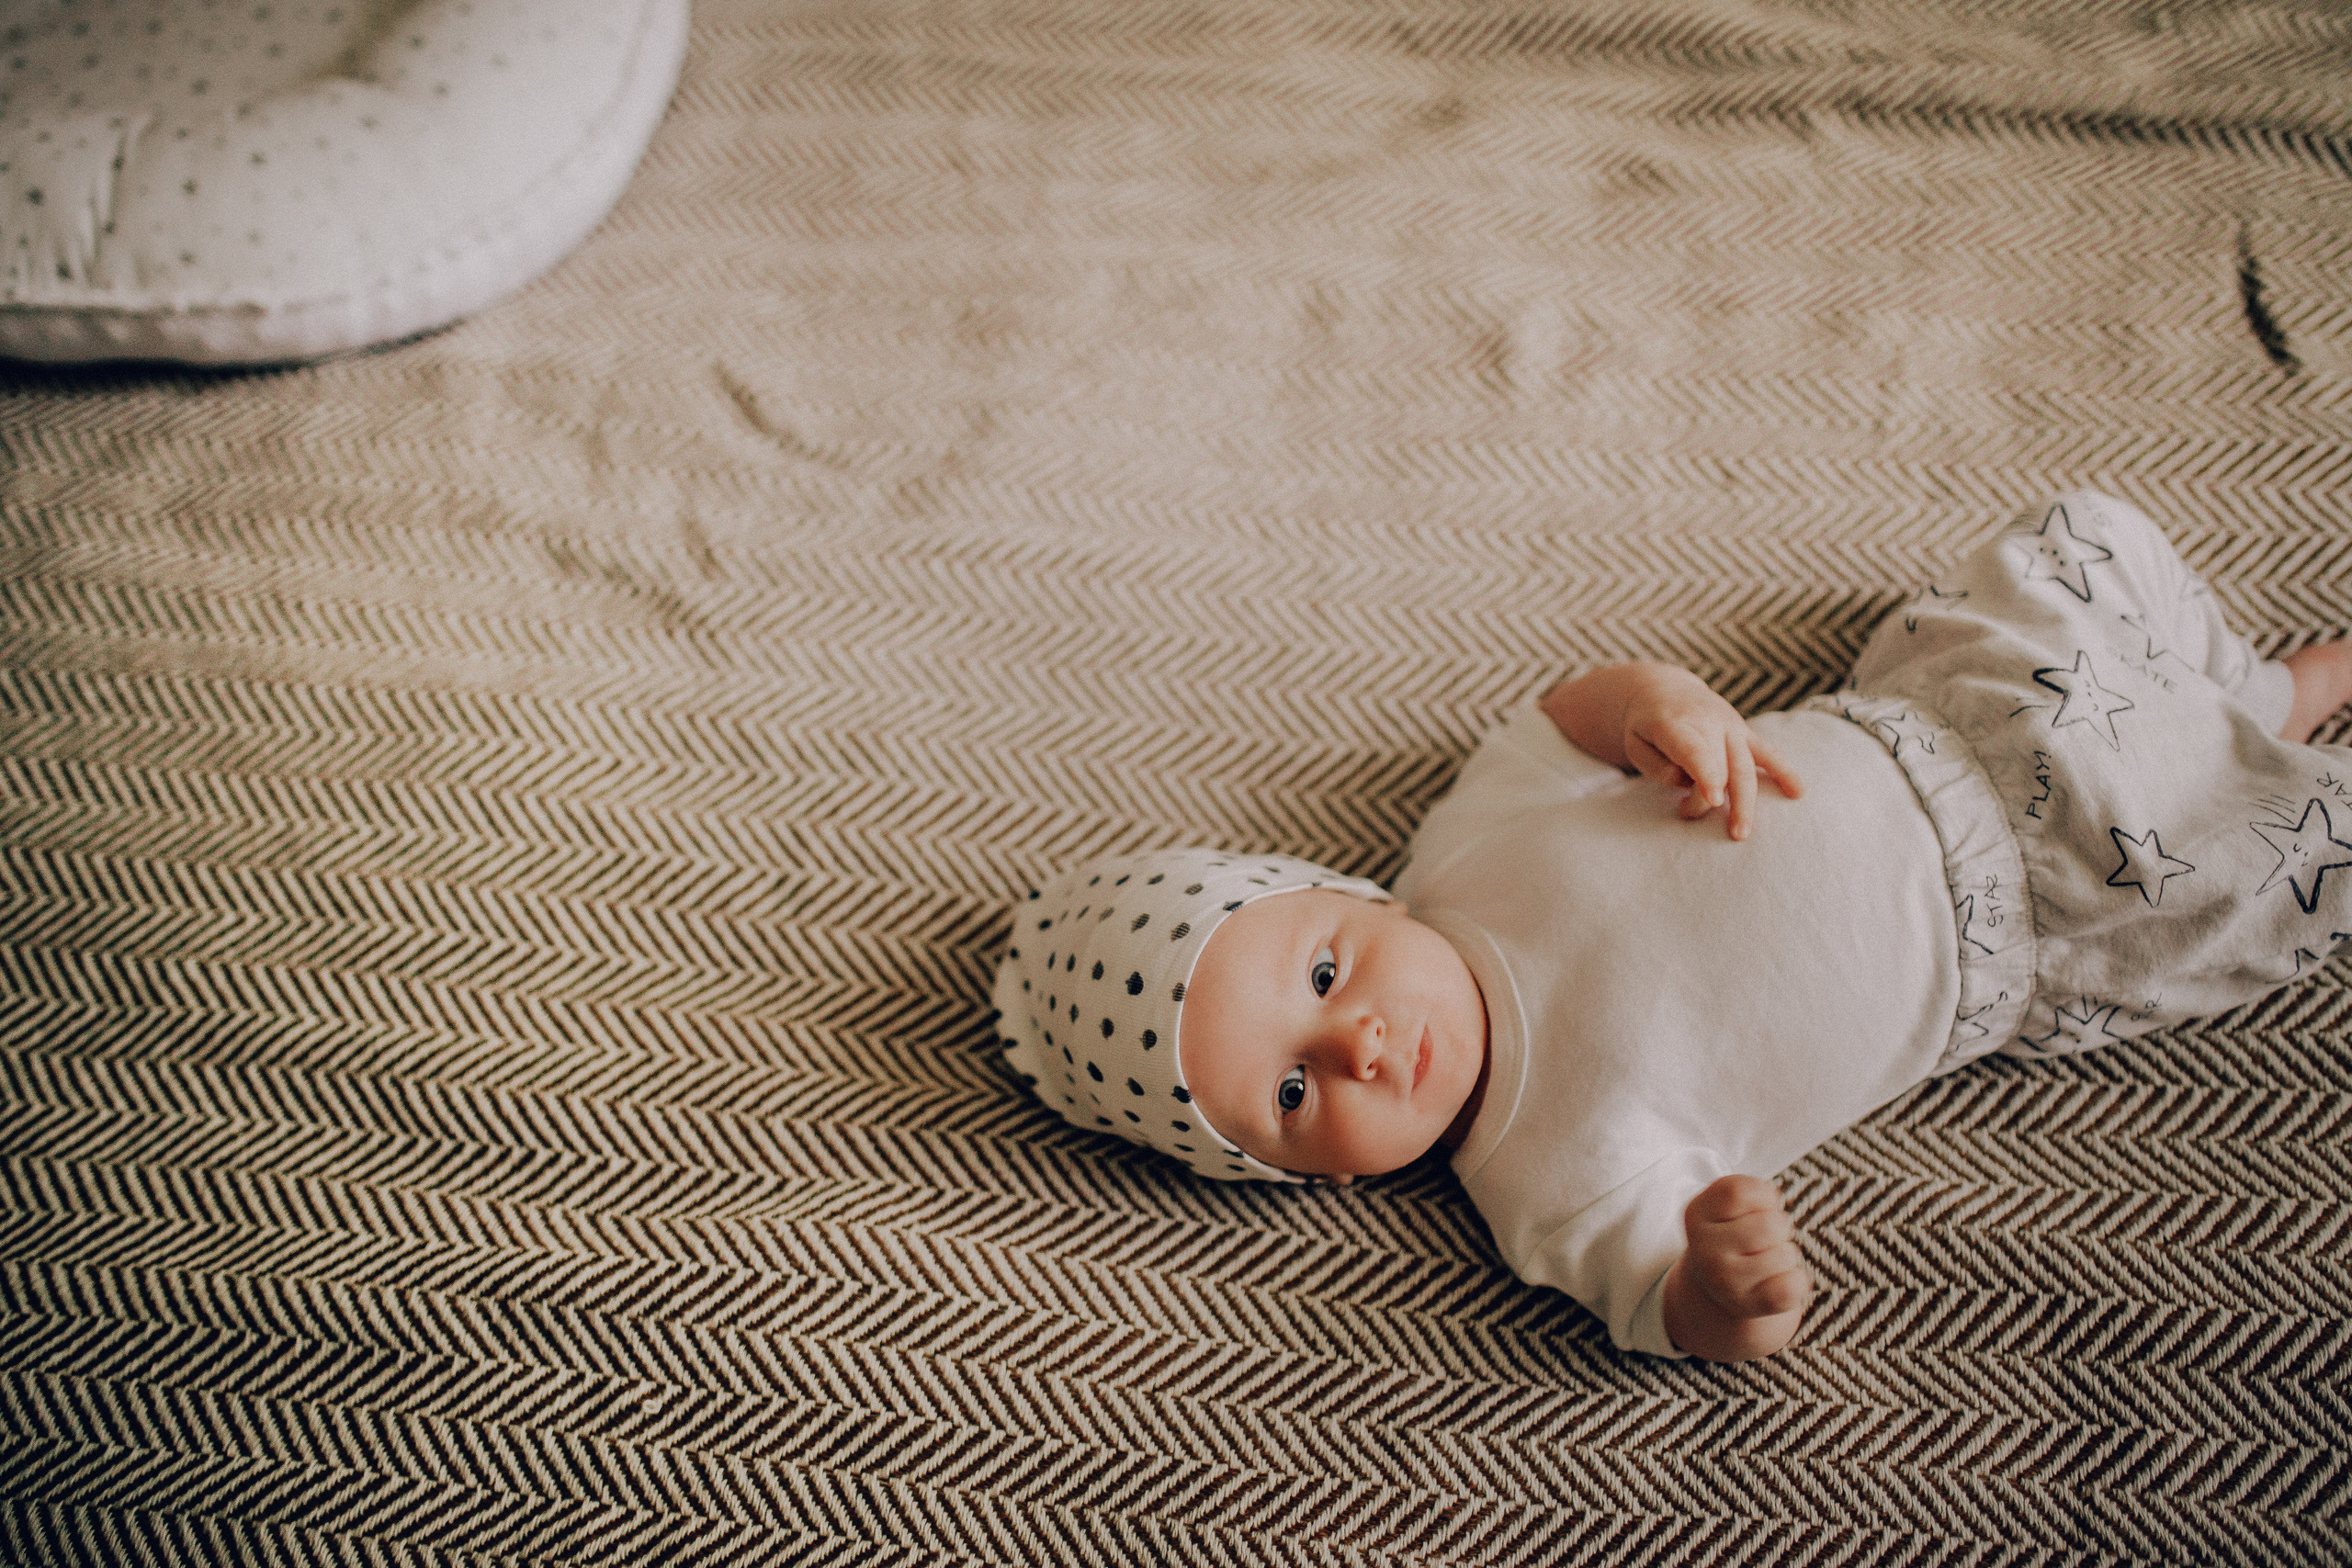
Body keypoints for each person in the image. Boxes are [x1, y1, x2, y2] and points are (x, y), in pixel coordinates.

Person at [990, 491, 2352, 1362]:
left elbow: (1570, 711)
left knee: (2073, 539)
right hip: (2051, 906)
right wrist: (1727, 1282)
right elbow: (1677, 1317)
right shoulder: (1546, 1182)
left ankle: (2248, 697)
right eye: (1291, 1093)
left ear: (1351, 899)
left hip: (1950, 717)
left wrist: (1661, 708)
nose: (1352, 1041)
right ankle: (2279, 711)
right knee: (2263, 859)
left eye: (1326, 971)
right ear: (1319, 1181)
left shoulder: (1466, 850)